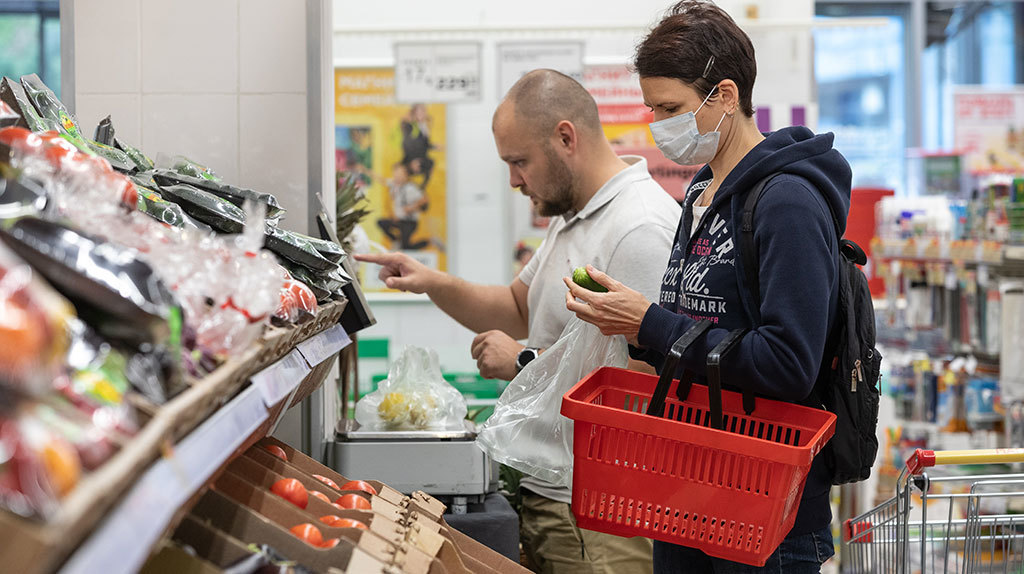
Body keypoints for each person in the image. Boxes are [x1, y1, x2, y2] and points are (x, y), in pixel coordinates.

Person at [563, 2, 852, 573]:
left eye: (670, 108)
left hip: (766, 511)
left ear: (724, 95)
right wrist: (630, 324)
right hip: (688, 491)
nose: (657, 124)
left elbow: (788, 364)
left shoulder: (787, 203)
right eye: (652, 108)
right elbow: (700, 334)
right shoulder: (701, 192)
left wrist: (651, 322)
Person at [356, 69, 681, 574]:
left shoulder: (638, 227)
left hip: (604, 508)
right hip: (558, 494)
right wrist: (431, 281)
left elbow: (647, 378)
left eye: (519, 161)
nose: (512, 180)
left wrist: (524, 361)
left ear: (566, 138)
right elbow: (515, 307)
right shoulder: (575, 218)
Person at [374, 162, 429, 250]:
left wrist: (411, 207)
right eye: (395, 173)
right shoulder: (395, 185)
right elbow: (382, 180)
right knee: (381, 222)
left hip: (409, 222)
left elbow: (424, 200)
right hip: (398, 220)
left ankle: (429, 242)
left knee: (405, 247)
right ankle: (395, 240)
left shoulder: (411, 188)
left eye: (399, 174)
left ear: (406, 175)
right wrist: (365, 170)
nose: (396, 176)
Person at [401, 103, 438, 188]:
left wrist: (434, 147)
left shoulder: (424, 126)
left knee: (431, 163)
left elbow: (424, 144)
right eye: (419, 112)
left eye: (424, 111)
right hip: (410, 159)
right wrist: (412, 161)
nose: (423, 114)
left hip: (421, 158)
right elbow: (406, 144)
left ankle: (421, 188)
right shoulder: (408, 126)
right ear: (413, 114)